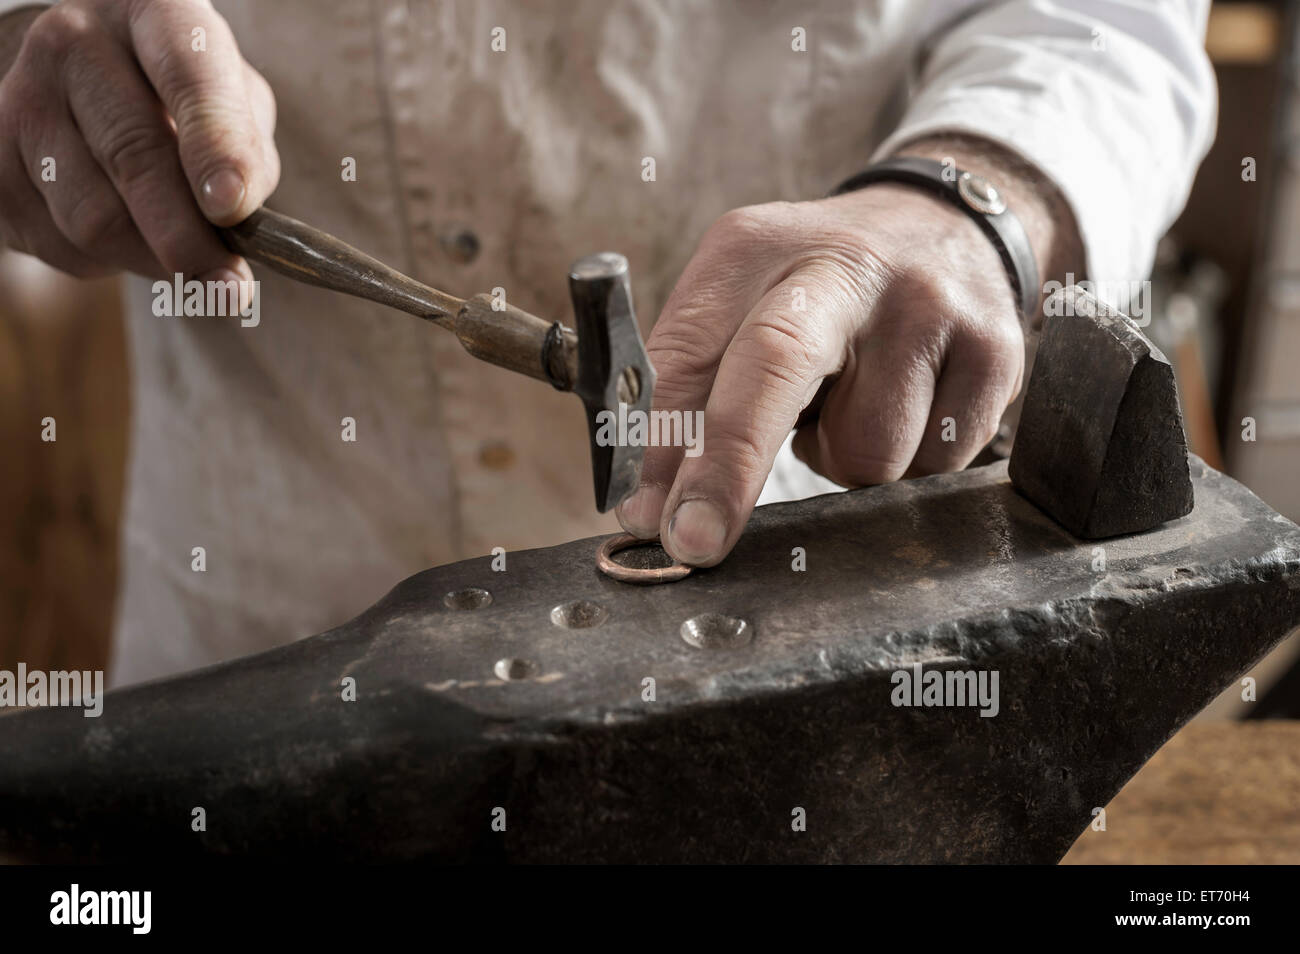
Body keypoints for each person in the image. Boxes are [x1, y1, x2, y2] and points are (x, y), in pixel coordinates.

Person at [0, 0, 1216, 686]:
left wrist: (970, 199)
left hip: (807, 620)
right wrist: (26, 79)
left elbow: (1104, 24)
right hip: (272, 640)